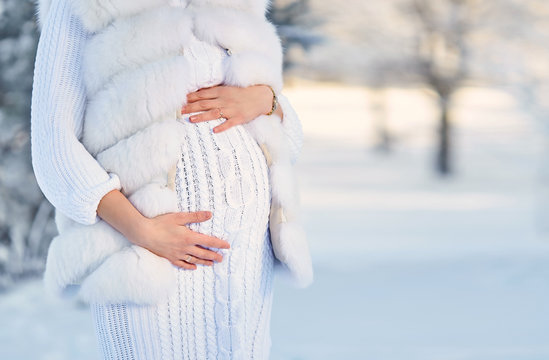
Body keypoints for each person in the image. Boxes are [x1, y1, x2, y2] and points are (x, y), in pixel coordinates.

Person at [30, 0, 308, 358]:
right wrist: (141, 230)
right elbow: (54, 146)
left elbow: (290, 139)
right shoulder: (83, 6)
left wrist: (267, 100)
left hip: (246, 254)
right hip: (144, 255)